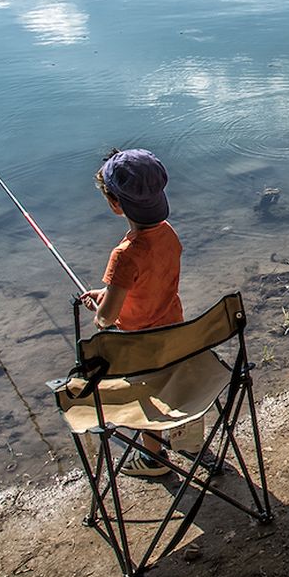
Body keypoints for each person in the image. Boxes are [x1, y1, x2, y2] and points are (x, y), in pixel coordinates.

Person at [80, 148, 183, 477]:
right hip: (177, 338)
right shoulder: (168, 234)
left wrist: (100, 308)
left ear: (115, 204)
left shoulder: (124, 256)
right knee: (166, 383)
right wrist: (110, 292)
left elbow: (107, 319)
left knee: (147, 395)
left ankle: (153, 459)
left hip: (142, 350)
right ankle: (189, 439)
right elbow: (150, 284)